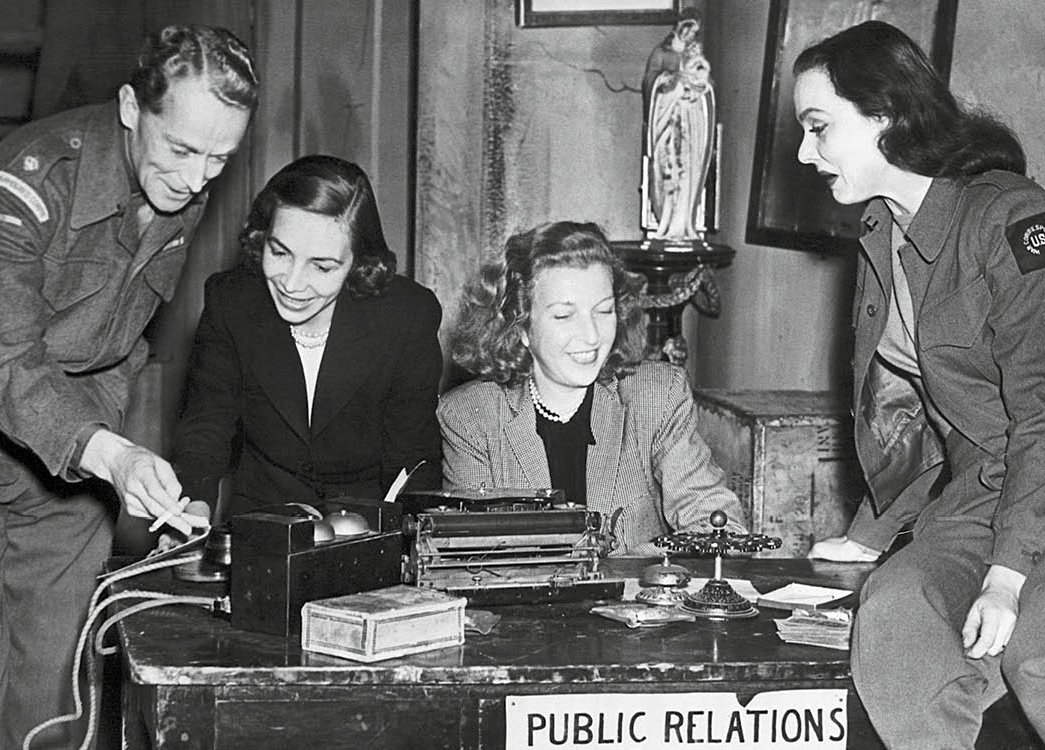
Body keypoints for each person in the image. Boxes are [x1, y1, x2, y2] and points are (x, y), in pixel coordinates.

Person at [0, 24, 257, 750]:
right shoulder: (18, 187)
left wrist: (113, 454)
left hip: (72, 478)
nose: (193, 180)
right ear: (130, 107)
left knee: (56, 700)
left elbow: (130, 336)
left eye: (219, 159)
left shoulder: (181, 193)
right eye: (181, 149)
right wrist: (111, 453)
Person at [793, 20, 1045, 748]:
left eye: (819, 128)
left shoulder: (1013, 218)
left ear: (887, 115)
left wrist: (1004, 575)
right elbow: (913, 409)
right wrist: (871, 533)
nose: (806, 154)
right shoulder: (880, 230)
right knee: (897, 616)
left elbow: (1040, 416)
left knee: (1034, 650)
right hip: (983, 497)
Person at [438, 220, 745, 555]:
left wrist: (625, 569)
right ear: (521, 327)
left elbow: (720, 526)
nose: (591, 336)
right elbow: (468, 556)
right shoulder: (470, 417)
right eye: (564, 316)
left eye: (603, 311)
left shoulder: (656, 395)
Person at [170, 155, 442, 522]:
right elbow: (206, 427)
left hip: (368, 527)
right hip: (261, 523)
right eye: (280, 252)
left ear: (358, 263)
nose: (292, 284)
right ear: (261, 238)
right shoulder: (230, 302)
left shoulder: (407, 316)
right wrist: (191, 510)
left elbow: (412, 462)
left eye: (322, 266)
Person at [641, 7, 715, 242]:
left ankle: (684, 223)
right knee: (666, 171)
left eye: (695, 32)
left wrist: (699, 86)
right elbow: (650, 83)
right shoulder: (662, 53)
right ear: (680, 27)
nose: (691, 36)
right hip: (667, 122)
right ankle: (665, 221)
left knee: (687, 175)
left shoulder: (695, 54)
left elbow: (707, 85)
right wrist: (671, 81)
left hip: (690, 124)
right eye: (688, 29)